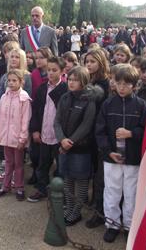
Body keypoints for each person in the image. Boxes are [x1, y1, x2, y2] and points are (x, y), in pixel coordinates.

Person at [96, 64, 146, 243]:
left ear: (134, 84)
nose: (122, 87)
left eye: (126, 84)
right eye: (119, 83)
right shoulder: (108, 104)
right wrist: (108, 152)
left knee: (131, 193)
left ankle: (129, 225)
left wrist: (132, 134)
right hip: (112, 158)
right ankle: (112, 224)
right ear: (114, 84)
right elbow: (100, 131)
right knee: (112, 191)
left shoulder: (141, 105)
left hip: (133, 158)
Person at [55, 66, 99, 226]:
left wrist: (70, 141)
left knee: (80, 180)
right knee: (67, 178)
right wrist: (61, 139)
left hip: (81, 148)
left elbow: (86, 126)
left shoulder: (89, 100)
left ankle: (76, 211)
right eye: (70, 79)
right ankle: (70, 207)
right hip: (64, 145)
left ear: (84, 82)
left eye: (76, 80)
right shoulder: (65, 98)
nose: (71, 82)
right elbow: (57, 121)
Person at [27, 57, 68, 202]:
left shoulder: (65, 89)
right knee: (42, 164)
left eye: (54, 70)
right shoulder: (42, 88)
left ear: (63, 72)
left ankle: (61, 193)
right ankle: (41, 188)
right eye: (48, 70)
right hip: (44, 133)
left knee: (61, 167)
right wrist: (35, 130)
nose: (50, 73)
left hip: (58, 136)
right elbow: (36, 111)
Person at [0, 69, 32, 201]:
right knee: (8, 162)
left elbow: (25, 120)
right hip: (5, 137)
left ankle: (19, 187)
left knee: (18, 163)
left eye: (14, 80)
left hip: (17, 139)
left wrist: (22, 138)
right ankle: (5, 186)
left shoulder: (24, 99)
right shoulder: (4, 97)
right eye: (9, 80)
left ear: (21, 82)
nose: (11, 83)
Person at [83, 48, 110, 228]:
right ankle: (91, 199)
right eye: (86, 62)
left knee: (100, 175)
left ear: (101, 62)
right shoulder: (88, 80)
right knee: (91, 168)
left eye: (93, 61)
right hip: (88, 131)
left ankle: (100, 209)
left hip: (100, 131)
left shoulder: (105, 83)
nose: (89, 65)